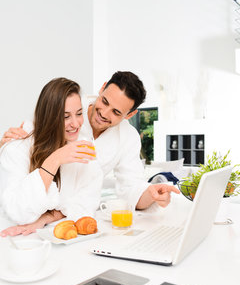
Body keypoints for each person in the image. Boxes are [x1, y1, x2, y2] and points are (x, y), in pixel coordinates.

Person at [0, 71, 179, 219]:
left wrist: (152, 194)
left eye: (116, 112)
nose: (103, 113)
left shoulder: (128, 138)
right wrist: (10, 144)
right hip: (32, 210)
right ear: (102, 89)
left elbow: (130, 189)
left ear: (129, 115)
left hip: (68, 216)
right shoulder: (71, 102)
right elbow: (37, 133)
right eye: (104, 101)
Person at [0, 77, 103, 236]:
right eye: (65, 116)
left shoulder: (82, 147)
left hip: (59, 239)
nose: (75, 124)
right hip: (15, 240)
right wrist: (54, 160)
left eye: (79, 113)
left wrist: (46, 218)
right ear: (48, 117)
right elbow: (19, 212)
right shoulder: (17, 147)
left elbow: (86, 202)